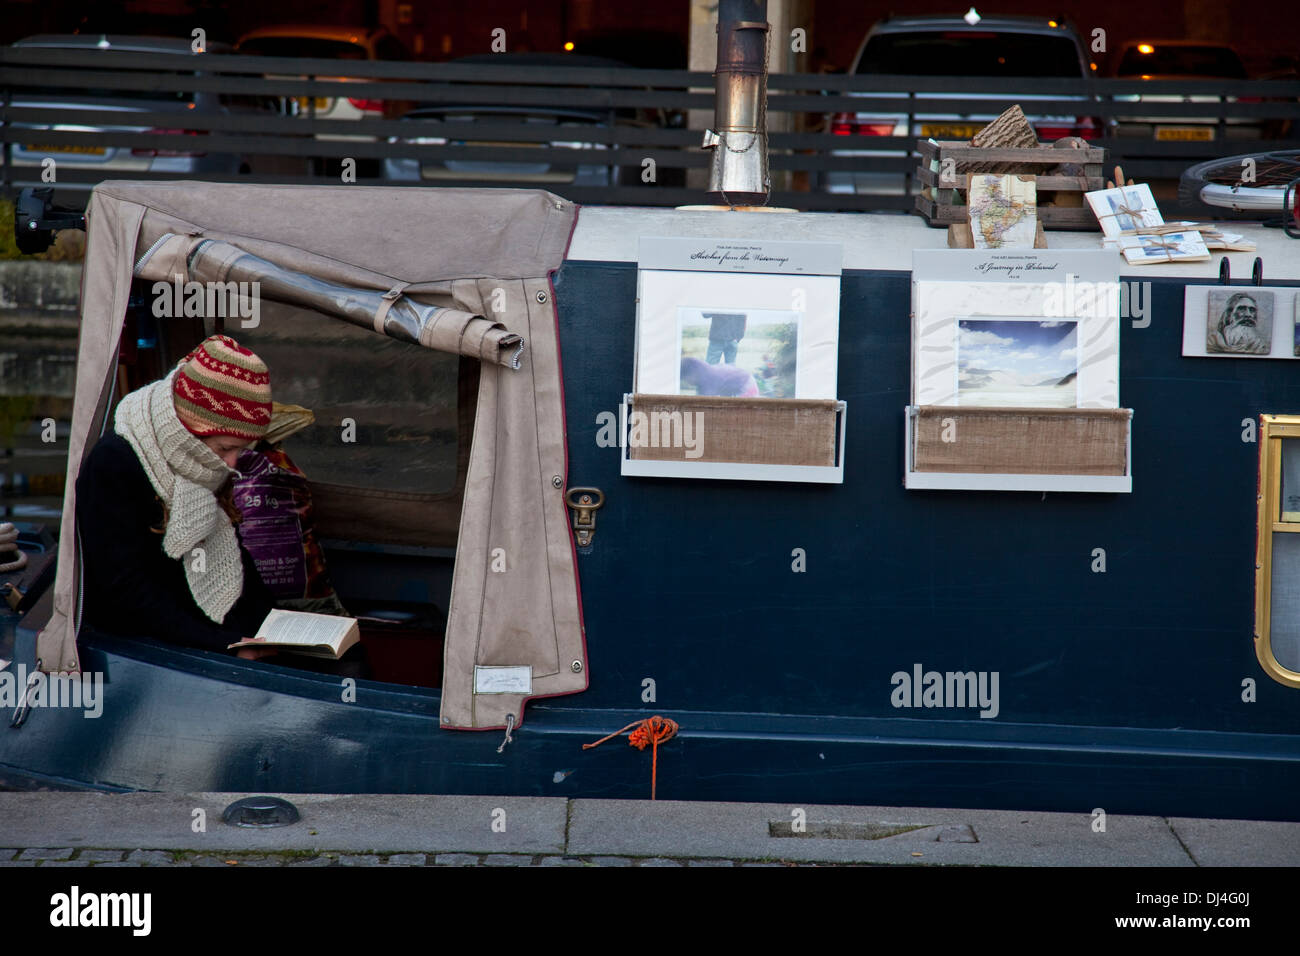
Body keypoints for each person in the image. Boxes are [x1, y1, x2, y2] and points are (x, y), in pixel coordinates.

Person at [76, 335, 279, 660]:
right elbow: (124, 592)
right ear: (189, 429)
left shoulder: (201, 462)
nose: (231, 464)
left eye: (241, 450)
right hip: (141, 650)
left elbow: (234, 557)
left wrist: (273, 626)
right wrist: (225, 646)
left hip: (207, 633)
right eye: (226, 448)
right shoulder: (115, 463)